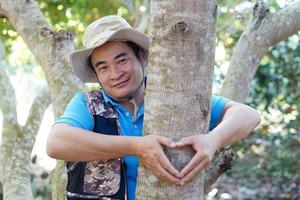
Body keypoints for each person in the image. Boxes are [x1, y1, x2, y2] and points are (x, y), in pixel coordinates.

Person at [46, 15, 260, 200]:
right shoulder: (88, 104)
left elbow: (248, 115)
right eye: (103, 67)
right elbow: (56, 143)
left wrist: (214, 140)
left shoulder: (172, 98)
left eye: (122, 60)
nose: (114, 74)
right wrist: (137, 146)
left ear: (142, 56)